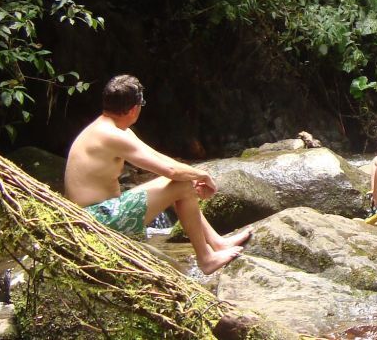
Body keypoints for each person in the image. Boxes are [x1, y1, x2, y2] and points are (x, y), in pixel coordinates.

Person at [65, 74, 251, 274]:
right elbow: (170, 170)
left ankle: (217, 243)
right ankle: (206, 259)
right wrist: (201, 176)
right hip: (94, 221)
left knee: (179, 183)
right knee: (181, 185)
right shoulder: (111, 135)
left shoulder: (114, 129)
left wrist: (191, 174)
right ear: (135, 109)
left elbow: (159, 159)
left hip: (99, 213)